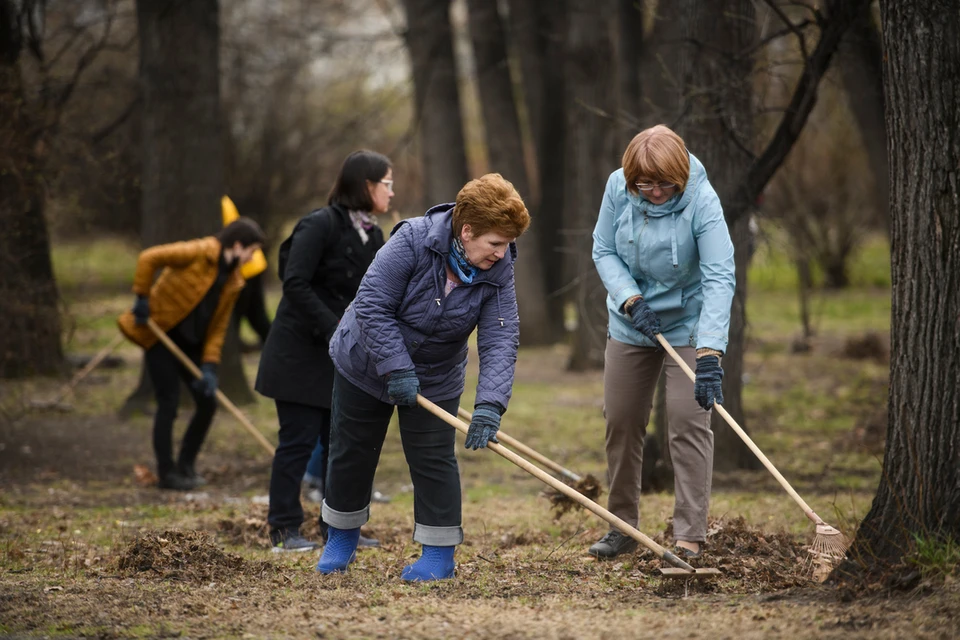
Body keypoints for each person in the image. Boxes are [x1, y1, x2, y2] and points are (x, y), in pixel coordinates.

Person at [316, 173, 530, 581]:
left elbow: (501, 335)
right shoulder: (412, 240)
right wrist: (397, 367)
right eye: (496, 244)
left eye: (507, 245)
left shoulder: (500, 268)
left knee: (434, 460)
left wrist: (489, 405)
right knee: (352, 453)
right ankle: (341, 538)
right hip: (364, 361)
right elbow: (372, 304)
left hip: (436, 375)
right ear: (467, 231)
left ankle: (438, 555)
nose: (502, 254)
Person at [589, 124, 735, 560]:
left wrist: (709, 352)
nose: (654, 192)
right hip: (632, 320)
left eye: (665, 183)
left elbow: (719, 276)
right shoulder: (618, 188)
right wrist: (630, 299)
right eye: (645, 184)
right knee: (622, 420)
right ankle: (621, 526)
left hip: (687, 324)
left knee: (689, 423)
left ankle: (689, 535)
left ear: (682, 174)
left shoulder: (703, 202)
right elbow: (603, 249)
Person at [255, 150, 394, 553]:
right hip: (299, 355)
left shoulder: (374, 234)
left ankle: (339, 530)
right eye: (387, 183)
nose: (391, 191)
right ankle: (283, 529)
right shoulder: (319, 224)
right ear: (367, 185)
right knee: (296, 444)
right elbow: (295, 282)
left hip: (344, 360)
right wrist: (337, 328)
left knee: (341, 446)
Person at [118, 218, 267, 491]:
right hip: (161, 336)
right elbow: (149, 257)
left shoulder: (234, 281)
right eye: (253, 250)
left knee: (207, 403)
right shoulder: (199, 251)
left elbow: (218, 326)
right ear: (237, 245)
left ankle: (186, 464)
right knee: (169, 402)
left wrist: (210, 365)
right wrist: (141, 296)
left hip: (192, 345)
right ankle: (167, 472)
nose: (254, 257)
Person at [221, 195, 272, 352]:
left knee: (241, 315)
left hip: (245, 268)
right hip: (252, 265)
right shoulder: (224, 200)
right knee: (256, 315)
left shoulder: (220, 202)